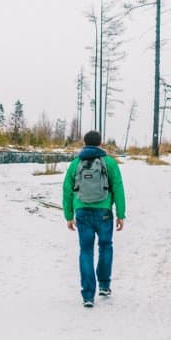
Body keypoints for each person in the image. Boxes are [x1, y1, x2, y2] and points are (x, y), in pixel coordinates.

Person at [62, 130, 126, 307]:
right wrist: (121, 214)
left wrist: (68, 215)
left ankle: (88, 295)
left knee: (86, 251)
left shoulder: (75, 163)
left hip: (82, 212)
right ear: (100, 143)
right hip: (104, 213)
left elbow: (67, 190)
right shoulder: (109, 163)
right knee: (106, 246)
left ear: (84, 143)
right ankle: (104, 285)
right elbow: (118, 188)